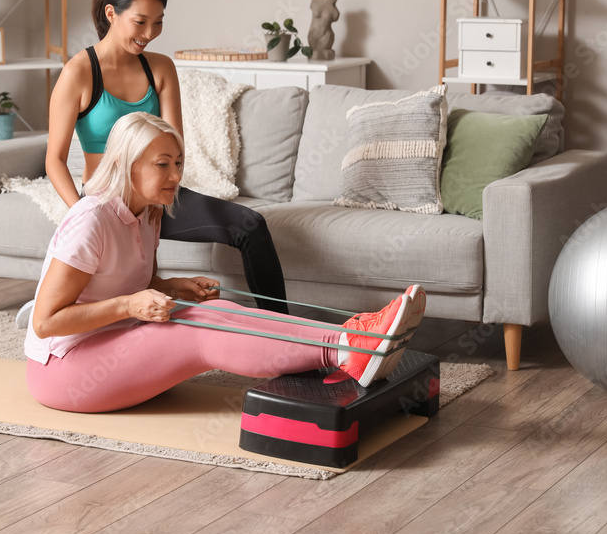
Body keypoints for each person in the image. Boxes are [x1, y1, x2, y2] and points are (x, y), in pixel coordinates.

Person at [26, 112, 426, 413]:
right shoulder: (90, 219)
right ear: (125, 165)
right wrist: (131, 306)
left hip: (109, 341)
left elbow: (130, 282)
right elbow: (46, 322)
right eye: (161, 164)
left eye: (178, 163)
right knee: (193, 332)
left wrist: (171, 286)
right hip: (63, 370)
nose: (174, 174)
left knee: (214, 309)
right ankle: (345, 351)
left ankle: (351, 335)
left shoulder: (148, 212)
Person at [45, 0, 290, 314]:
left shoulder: (159, 68)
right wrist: (81, 214)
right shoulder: (78, 73)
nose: (150, 33)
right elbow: (54, 159)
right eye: (141, 21)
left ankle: (285, 334)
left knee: (250, 225)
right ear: (111, 13)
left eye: (158, 22)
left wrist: (161, 200)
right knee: (139, 289)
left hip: (157, 196)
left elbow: (176, 145)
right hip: (106, 202)